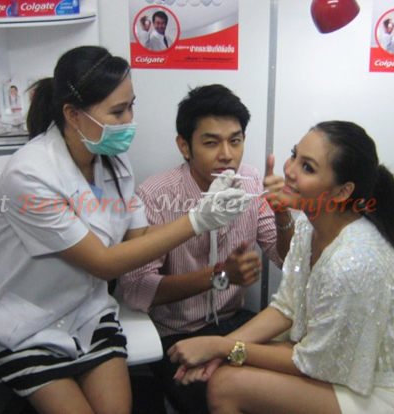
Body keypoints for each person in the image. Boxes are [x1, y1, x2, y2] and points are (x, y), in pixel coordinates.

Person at [0, 46, 251, 414]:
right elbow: (103, 263)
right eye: (118, 111)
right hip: (25, 325)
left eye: (131, 106)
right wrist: (197, 220)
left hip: (87, 312)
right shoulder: (30, 175)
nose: (130, 120)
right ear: (73, 114)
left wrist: (204, 218)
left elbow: (138, 239)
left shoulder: (112, 162)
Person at [168, 121, 394, 414]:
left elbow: (313, 364)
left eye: (307, 167)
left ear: (342, 191)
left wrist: (221, 348)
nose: (289, 170)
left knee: (224, 385)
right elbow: (287, 307)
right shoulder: (309, 226)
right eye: (294, 155)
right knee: (226, 367)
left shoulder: (353, 262)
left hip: (378, 391)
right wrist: (218, 349)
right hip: (335, 361)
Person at [120, 84, 292, 414]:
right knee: (215, 397)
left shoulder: (251, 181)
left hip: (237, 324)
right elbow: (137, 290)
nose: (226, 154)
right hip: (177, 334)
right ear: (184, 146)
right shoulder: (156, 194)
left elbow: (285, 259)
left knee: (283, 393)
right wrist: (218, 276)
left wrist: (283, 213)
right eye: (211, 142)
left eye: (235, 141)